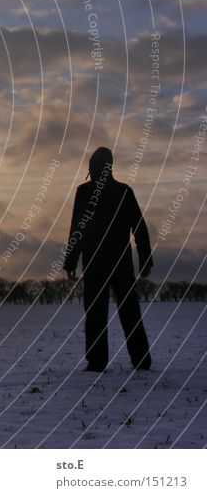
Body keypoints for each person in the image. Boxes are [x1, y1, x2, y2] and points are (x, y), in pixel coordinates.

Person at [63, 147, 153, 372]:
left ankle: (97, 362)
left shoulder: (84, 192)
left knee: (96, 314)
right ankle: (141, 360)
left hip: (95, 264)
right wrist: (145, 259)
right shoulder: (123, 191)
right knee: (129, 312)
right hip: (120, 263)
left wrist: (71, 262)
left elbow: (77, 230)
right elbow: (139, 228)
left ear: (92, 168)